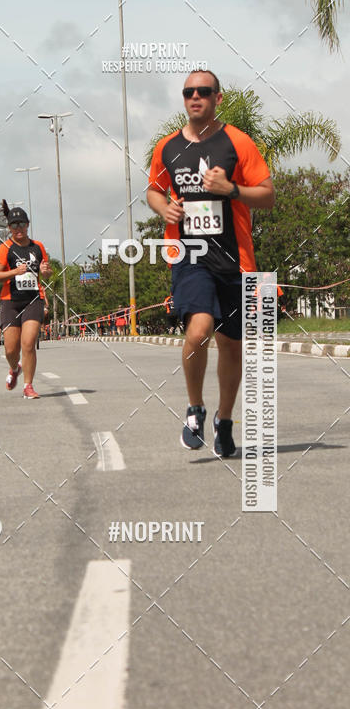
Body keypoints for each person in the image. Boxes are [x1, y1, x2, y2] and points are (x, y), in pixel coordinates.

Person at [147, 69, 274, 457]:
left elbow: (267, 194)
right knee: (198, 330)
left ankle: (224, 420)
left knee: (231, 346)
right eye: (188, 92)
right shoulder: (168, 147)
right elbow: (153, 190)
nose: (195, 97)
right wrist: (164, 207)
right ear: (184, 99)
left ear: (218, 98)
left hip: (235, 261)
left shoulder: (237, 142)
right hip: (189, 256)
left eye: (203, 91)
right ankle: (195, 408)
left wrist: (231, 189)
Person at [0, 201, 52, 398]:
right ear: (9, 228)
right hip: (10, 302)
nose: (18, 229)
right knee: (10, 350)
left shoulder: (37, 247)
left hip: (34, 299)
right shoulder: (5, 248)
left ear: (28, 225)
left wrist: (46, 271)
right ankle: (14, 368)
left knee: (28, 343)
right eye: (14, 225)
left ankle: (28, 385)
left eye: (22, 224)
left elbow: (47, 272)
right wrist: (14, 271)